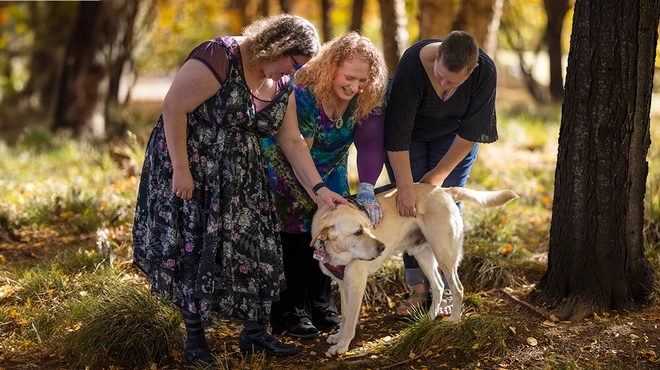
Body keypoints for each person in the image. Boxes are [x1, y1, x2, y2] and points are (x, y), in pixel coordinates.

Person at [132, 14, 348, 366]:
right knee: (196, 247)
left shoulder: (281, 85)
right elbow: (173, 107)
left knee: (258, 246)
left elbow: (292, 142)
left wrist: (321, 190)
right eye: (292, 64)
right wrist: (182, 170)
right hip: (193, 167)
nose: (292, 74)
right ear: (276, 47)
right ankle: (196, 343)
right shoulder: (220, 56)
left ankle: (254, 334)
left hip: (242, 175)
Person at [262, 32, 388, 338]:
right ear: (331, 67)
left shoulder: (368, 93)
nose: (355, 87)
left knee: (334, 232)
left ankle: (321, 303)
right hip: (289, 164)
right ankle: (291, 309)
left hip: (332, 168)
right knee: (296, 233)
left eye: (362, 80)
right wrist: (316, 191)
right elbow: (297, 147)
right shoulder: (304, 89)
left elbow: (371, 144)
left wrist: (369, 187)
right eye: (348, 77)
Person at [384, 30, 498, 317]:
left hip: (454, 140)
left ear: (472, 70)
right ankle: (418, 291)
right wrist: (406, 187)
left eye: (453, 81)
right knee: (408, 207)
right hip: (409, 138)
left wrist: (438, 174)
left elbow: (472, 131)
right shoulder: (412, 65)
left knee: (443, 206)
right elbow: (396, 135)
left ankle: (446, 287)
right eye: (440, 75)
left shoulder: (484, 73)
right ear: (436, 57)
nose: (443, 83)